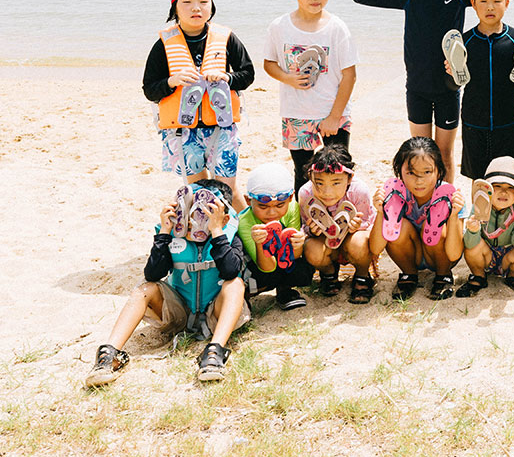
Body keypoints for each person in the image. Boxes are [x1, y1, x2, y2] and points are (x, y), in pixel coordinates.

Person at [352, 0, 507, 184]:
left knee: (444, 155)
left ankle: (446, 202)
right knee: (420, 154)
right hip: (417, 88)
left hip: (449, 87)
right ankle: (422, 201)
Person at [85, 180, 248, 386]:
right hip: (178, 313)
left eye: (201, 216)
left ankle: (214, 352)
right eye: (185, 215)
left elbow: (231, 271)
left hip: (214, 313)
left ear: (223, 218)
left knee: (235, 284)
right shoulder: (171, 236)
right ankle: (109, 354)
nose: (191, 224)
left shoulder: (228, 235)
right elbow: (153, 274)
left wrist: (216, 231)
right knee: (145, 289)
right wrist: (164, 232)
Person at [142, 0, 255, 210]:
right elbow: (150, 90)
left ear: (212, 5)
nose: (196, 8)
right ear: (175, 7)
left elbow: (248, 74)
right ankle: (208, 233)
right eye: (187, 2)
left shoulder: (226, 38)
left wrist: (227, 78)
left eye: (203, 1)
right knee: (198, 192)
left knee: (229, 191)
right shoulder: (164, 44)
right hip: (184, 132)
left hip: (222, 127)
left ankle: (246, 233)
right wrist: (172, 81)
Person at [263, 0, 359, 191]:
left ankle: (339, 213)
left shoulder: (337, 28)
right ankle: (305, 214)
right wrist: (287, 78)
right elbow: (269, 63)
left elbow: (349, 75)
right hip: (296, 113)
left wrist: (334, 117)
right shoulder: (279, 26)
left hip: (333, 113)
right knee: (303, 172)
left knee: (338, 171)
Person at [449, 0, 514, 179]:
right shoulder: (463, 42)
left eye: (497, 0)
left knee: (508, 180)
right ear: (473, 4)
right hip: (473, 123)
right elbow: (453, 85)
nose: (490, 7)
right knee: (478, 181)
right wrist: (451, 74)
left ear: (506, 3)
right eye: (483, 0)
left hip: (508, 123)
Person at [371, 137, 466, 301]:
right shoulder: (392, 196)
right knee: (396, 226)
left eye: (427, 172)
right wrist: (380, 212)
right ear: (399, 171)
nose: (419, 180)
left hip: (441, 255)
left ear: (439, 171)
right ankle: (409, 274)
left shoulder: (451, 197)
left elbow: (454, 254)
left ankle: (443, 275)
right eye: (411, 173)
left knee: (438, 226)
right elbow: (375, 248)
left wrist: (453, 215)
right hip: (410, 253)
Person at [297, 144, 378, 304]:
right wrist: (313, 230)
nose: (327, 192)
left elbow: (368, 226)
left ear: (349, 178)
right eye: (319, 183)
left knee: (359, 242)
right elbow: (306, 229)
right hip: (325, 242)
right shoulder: (306, 194)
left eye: (335, 183)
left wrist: (356, 227)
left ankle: (362, 275)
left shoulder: (359, 191)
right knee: (312, 249)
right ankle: (329, 273)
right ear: (311, 177)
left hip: (351, 241)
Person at [457, 157, 514, 296]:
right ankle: (478, 276)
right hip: (486, 255)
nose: (503, 192)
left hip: (508, 255)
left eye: (510, 187)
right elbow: (470, 243)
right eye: (497, 186)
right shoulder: (480, 207)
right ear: (488, 190)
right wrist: (473, 231)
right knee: (472, 248)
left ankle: (513, 277)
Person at [237, 164, 311, 311]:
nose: (272, 213)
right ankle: (252, 291)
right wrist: (260, 244)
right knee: (267, 276)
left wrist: (297, 244)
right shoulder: (244, 222)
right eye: (263, 207)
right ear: (248, 201)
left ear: (290, 198)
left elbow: (294, 257)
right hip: (260, 269)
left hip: (283, 260)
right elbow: (267, 268)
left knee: (303, 270)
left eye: (279, 205)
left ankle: (285, 288)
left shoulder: (292, 207)